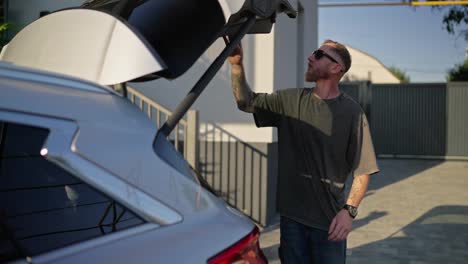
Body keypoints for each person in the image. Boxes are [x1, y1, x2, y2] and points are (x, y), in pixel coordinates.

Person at [227, 39, 380, 264]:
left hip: (330, 225)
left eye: (319, 54)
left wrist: (349, 212)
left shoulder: (352, 113)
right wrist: (236, 66)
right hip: (292, 222)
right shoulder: (290, 101)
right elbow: (246, 102)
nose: (310, 57)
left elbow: (363, 171)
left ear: (337, 67)